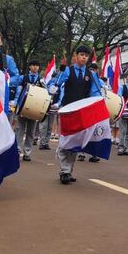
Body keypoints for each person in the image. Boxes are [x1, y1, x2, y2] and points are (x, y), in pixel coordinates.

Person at [49, 44, 104, 184]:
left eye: (86, 56)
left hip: (82, 111)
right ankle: (64, 171)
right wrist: (53, 87)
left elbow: (95, 92)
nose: (84, 57)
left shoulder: (91, 74)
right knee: (66, 140)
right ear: (76, 56)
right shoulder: (67, 70)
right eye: (81, 55)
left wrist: (99, 99)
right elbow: (55, 83)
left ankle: (68, 170)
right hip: (67, 110)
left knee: (75, 142)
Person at [14, 60, 45, 162]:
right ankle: (17, 151)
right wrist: (16, 103)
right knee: (20, 130)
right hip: (23, 107)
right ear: (30, 67)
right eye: (33, 65)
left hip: (35, 109)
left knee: (31, 132)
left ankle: (27, 152)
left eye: (37, 65)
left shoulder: (41, 80)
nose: (35, 67)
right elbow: (18, 90)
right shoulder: (23, 78)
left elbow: (45, 93)